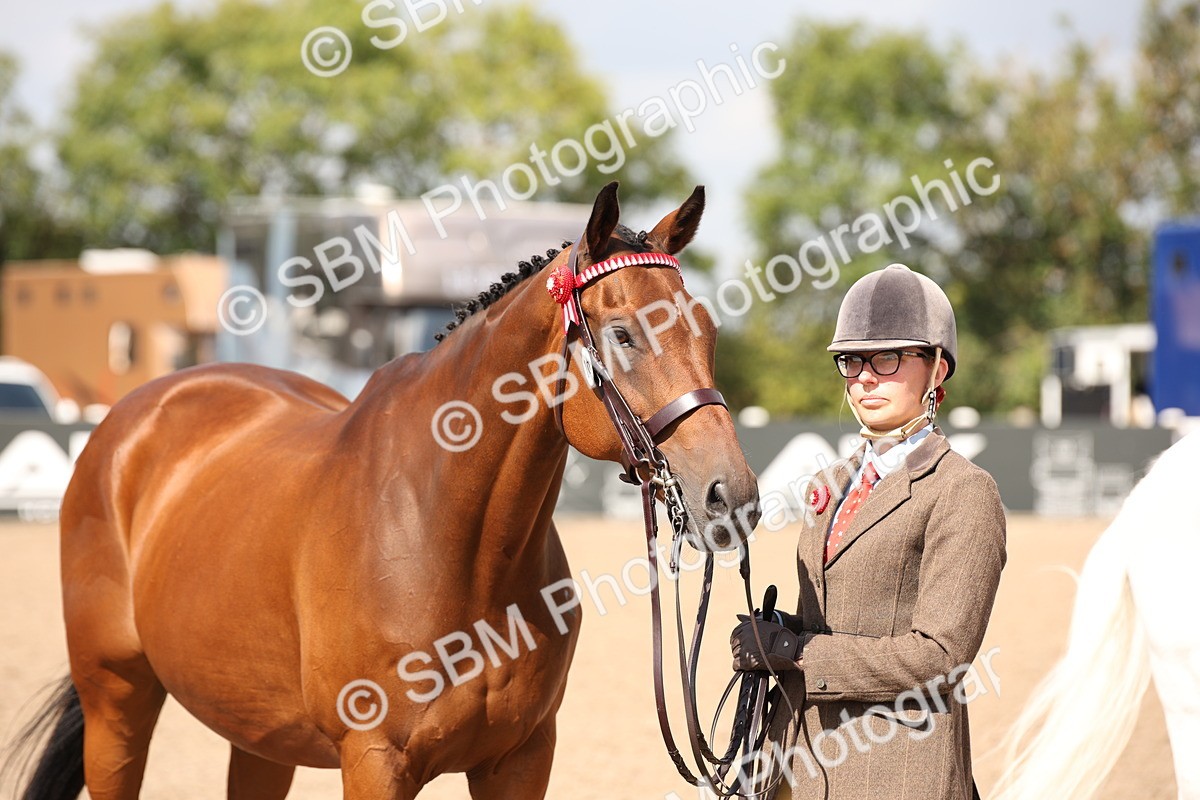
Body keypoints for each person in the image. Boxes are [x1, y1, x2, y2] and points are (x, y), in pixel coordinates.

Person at [730, 263, 1007, 800]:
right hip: (795, 766)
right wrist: (779, 633)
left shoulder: (963, 491)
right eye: (851, 361)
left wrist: (802, 652)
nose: (864, 376)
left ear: (937, 369)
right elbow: (845, 616)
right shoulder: (830, 483)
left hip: (896, 769)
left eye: (887, 358)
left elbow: (940, 655)